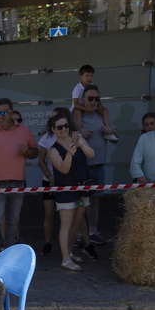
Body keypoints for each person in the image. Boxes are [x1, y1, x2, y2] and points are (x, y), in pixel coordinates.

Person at [0, 97, 38, 260]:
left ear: (11, 113)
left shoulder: (23, 130)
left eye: (3, 112)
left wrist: (27, 152)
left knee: (13, 220)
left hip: (18, 183)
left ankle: (8, 253)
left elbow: (35, 152)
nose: (0, 116)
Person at [47, 109, 96, 272]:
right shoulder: (53, 150)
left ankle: (69, 252)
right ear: (53, 130)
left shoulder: (77, 138)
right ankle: (65, 259)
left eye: (66, 126)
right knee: (66, 225)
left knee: (77, 222)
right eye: (59, 127)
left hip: (82, 188)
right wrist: (69, 154)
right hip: (66, 190)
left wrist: (81, 144)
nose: (64, 129)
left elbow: (91, 154)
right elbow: (63, 169)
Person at [76, 86, 115, 247]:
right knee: (80, 203)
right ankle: (79, 234)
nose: (93, 102)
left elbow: (115, 139)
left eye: (96, 99)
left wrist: (111, 130)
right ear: (83, 100)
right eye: (90, 98)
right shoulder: (77, 115)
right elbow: (68, 137)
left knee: (95, 202)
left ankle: (92, 232)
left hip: (99, 166)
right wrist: (79, 131)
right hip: (82, 167)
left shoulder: (102, 115)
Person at [36, 108, 64, 255]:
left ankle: (69, 246)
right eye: (52, 119)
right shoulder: (47, 137)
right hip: (49, 180)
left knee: (68, 214)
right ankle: (47, 243)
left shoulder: (71, 135)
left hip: (66, 182)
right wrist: (50, 177)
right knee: (49, 213)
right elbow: (40, 160)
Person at [71, 64, 112, 133]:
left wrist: (100, 106)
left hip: (90, 107)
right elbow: (75, 104)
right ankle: (80, 131)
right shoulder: (77, 89)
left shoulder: (92, 85)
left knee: (105, 110)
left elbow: (97, 98)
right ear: (80, 77)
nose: (89, 78)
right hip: (80, 108)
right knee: (77, 112)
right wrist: (86, 109)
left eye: (91, 76)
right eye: (87, 76)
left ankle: (108, 129)